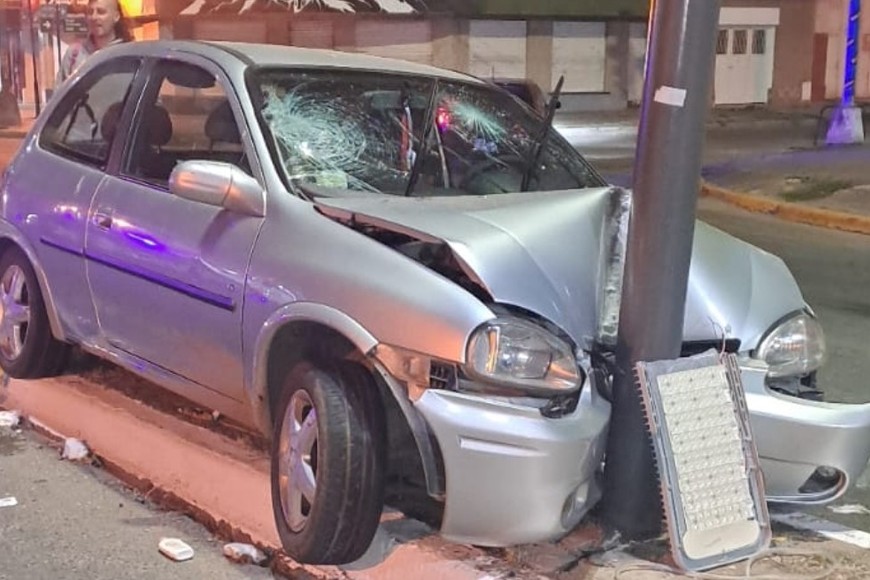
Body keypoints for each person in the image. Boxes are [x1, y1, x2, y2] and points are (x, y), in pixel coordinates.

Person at [56, 0, 133, 84]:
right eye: (90, 12)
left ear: (116, 16)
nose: (94, 17)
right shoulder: (74, 54)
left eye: (101, 12)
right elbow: (60, 93)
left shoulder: (129, 54)